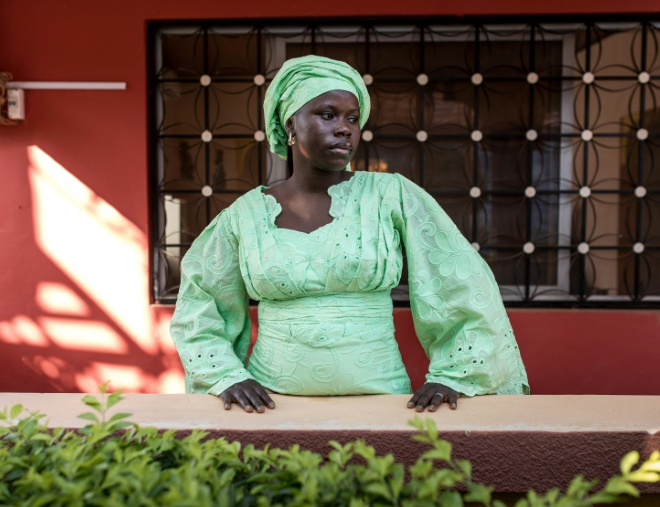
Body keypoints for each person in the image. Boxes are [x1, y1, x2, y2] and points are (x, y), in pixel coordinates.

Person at [170, 55, 529, 414]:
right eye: (328, 115)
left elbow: (461, 282)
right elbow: (201, 300)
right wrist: (226, 375)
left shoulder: (391, 196)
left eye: (352, 118)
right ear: (291, 124)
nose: (344, 128)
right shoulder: (244, 215)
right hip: (271, 407)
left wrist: (455, 374)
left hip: (385, 404)